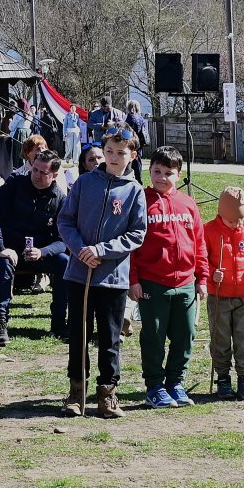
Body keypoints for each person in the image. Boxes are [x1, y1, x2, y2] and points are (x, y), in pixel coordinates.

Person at [56, 126, 148, 418]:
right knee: (78, 335)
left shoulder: (134, 191)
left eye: (120, 153)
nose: (113, 157)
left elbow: (137, 233)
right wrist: (81, 248)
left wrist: (102, 250)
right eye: (109, 151)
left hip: (113, 278)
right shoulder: (84, 183)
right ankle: (75, 392)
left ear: (132, 155)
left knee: (110, 339)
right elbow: (65, 220)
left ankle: (108, 394)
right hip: (79, 274)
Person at [131, 146, 209, 409]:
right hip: (153, 282)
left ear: (179, 174)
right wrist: (134, 280)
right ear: (149, 170)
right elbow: (132, 245)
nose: (161, 177)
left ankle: (175, 382)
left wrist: (202, 277)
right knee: (153, 335)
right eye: (156, 171)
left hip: (186, 282)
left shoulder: (188, 204)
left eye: (168, 173)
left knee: (186, 334)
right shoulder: (141, 201)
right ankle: (154, 386)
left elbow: (199, 243)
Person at [0, 149, 70, 343]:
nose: (37, 176)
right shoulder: (15, 184)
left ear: (55, 175)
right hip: (9, 248)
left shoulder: (60, 198)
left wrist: (42, 252)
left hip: (38, 253)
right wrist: (1, 248)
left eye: (44, 173)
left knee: (64, 263)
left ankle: (59, 323)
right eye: (35, 170)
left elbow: (63, 240)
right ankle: (0, 323)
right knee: (3, 264)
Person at [203, 186, 244, 400]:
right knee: (220, 338)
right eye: (231, 221)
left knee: (243, 337)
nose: (236, 224)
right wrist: (212, 274)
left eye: (239, 220)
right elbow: (200, 259)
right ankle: (222, 377)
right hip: (219, 296)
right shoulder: (209, 230)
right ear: (221, 214)